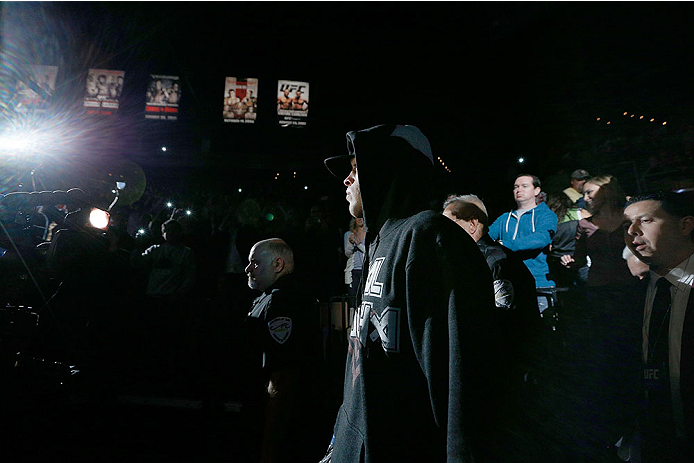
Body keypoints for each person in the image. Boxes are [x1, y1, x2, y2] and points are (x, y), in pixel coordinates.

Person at [323, 124, 500, 462]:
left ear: (387, 169)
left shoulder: (430, 238)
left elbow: (461, 381)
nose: (346, 181)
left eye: (356, 170)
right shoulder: (379, 242)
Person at [622, 191, 694, 462]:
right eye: (626, 224)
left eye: (646, 220)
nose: (632, 231)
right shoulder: (627, 299)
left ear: (685, 225)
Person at [242, 238, 325, 463]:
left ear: (278, 265)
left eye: (255, 263)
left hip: (285, 421)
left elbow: (283, 377)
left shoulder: (285, 301)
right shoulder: (269, 296)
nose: (248, 269)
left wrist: (269, 447)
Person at [488, 174, 558, 311]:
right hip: (508, 285)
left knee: (539, 328)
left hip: (538, 283)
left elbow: (540, 239)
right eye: (516, 187)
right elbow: (487, 237)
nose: (519, 190)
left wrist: (502, 245)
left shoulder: (546, 215)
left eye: (524, 186)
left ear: (536, 190)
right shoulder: (505, 218)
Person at [343, 217, 365, 298]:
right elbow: (348, 254)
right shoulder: (348, 234)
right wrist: (351, 243)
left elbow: (369, 252)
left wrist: (358, 244)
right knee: (353, 298)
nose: (359, 219)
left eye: (361, 217)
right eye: (357, 217)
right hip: (353, 270)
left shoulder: (369, 233)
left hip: (366, 270)